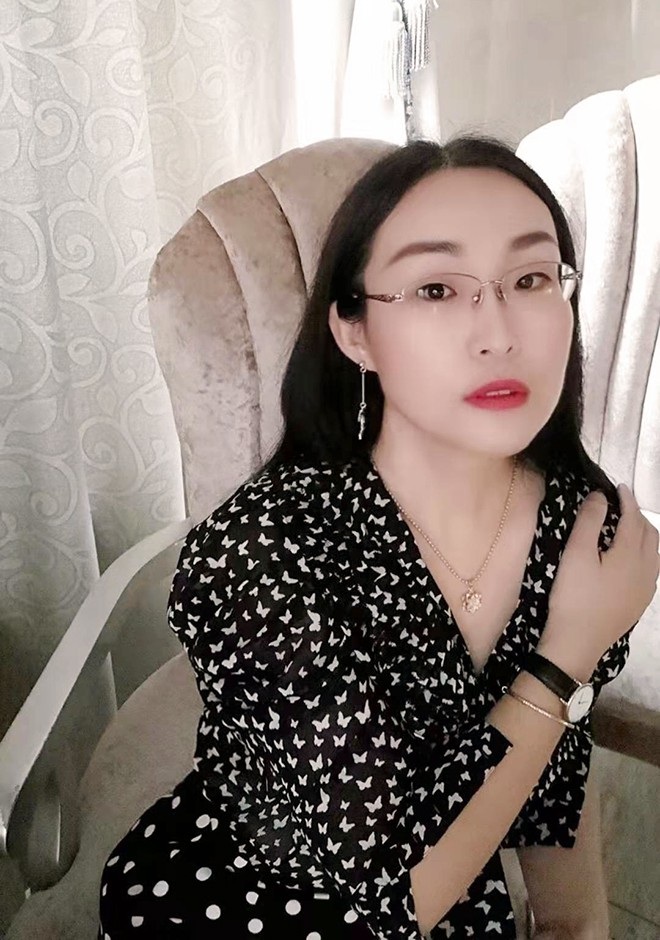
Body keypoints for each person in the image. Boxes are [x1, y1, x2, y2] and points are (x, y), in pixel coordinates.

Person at [98, 136, 659, 939]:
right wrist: (563, 657)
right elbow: (397, 896)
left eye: (532, 278)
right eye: (436, 288)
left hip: (460, 892)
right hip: (242, 904)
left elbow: (555, 781)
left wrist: (576, 926)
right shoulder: (258, 551)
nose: (499, 333)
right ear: (355, 331)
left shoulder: (576, 526)